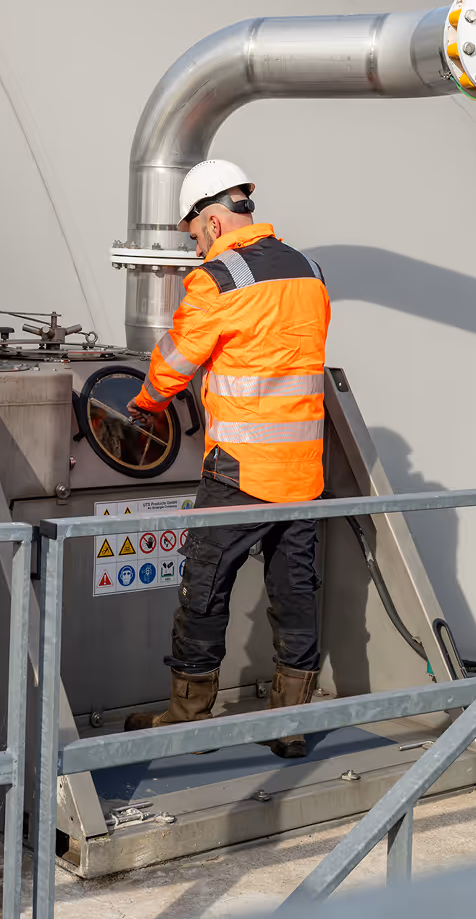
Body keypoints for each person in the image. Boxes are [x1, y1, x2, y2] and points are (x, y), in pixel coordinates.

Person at [123, 158, 330, 758]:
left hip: (239, 471)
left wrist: (145, 404)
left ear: (211, 222)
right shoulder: (311, 271)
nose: (194, 250)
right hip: (305, 473)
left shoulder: (218, 279)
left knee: (204, 589)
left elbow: (175, 362)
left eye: (192, 237)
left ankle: (189, 717)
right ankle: (287, 723)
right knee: (296, 593)